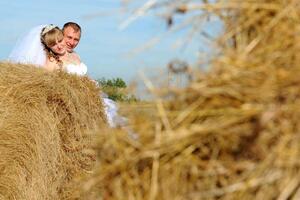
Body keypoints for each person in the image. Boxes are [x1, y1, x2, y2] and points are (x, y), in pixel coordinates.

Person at [8, 24, 125, 128]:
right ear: (61, 34)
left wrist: (89, 81)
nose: (72, 42)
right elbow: (46, 82)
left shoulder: (75, 55)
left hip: (90, 98)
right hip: (73, 102)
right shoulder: (53, 60)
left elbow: (80, 74)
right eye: (69, 37)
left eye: (76, 39)